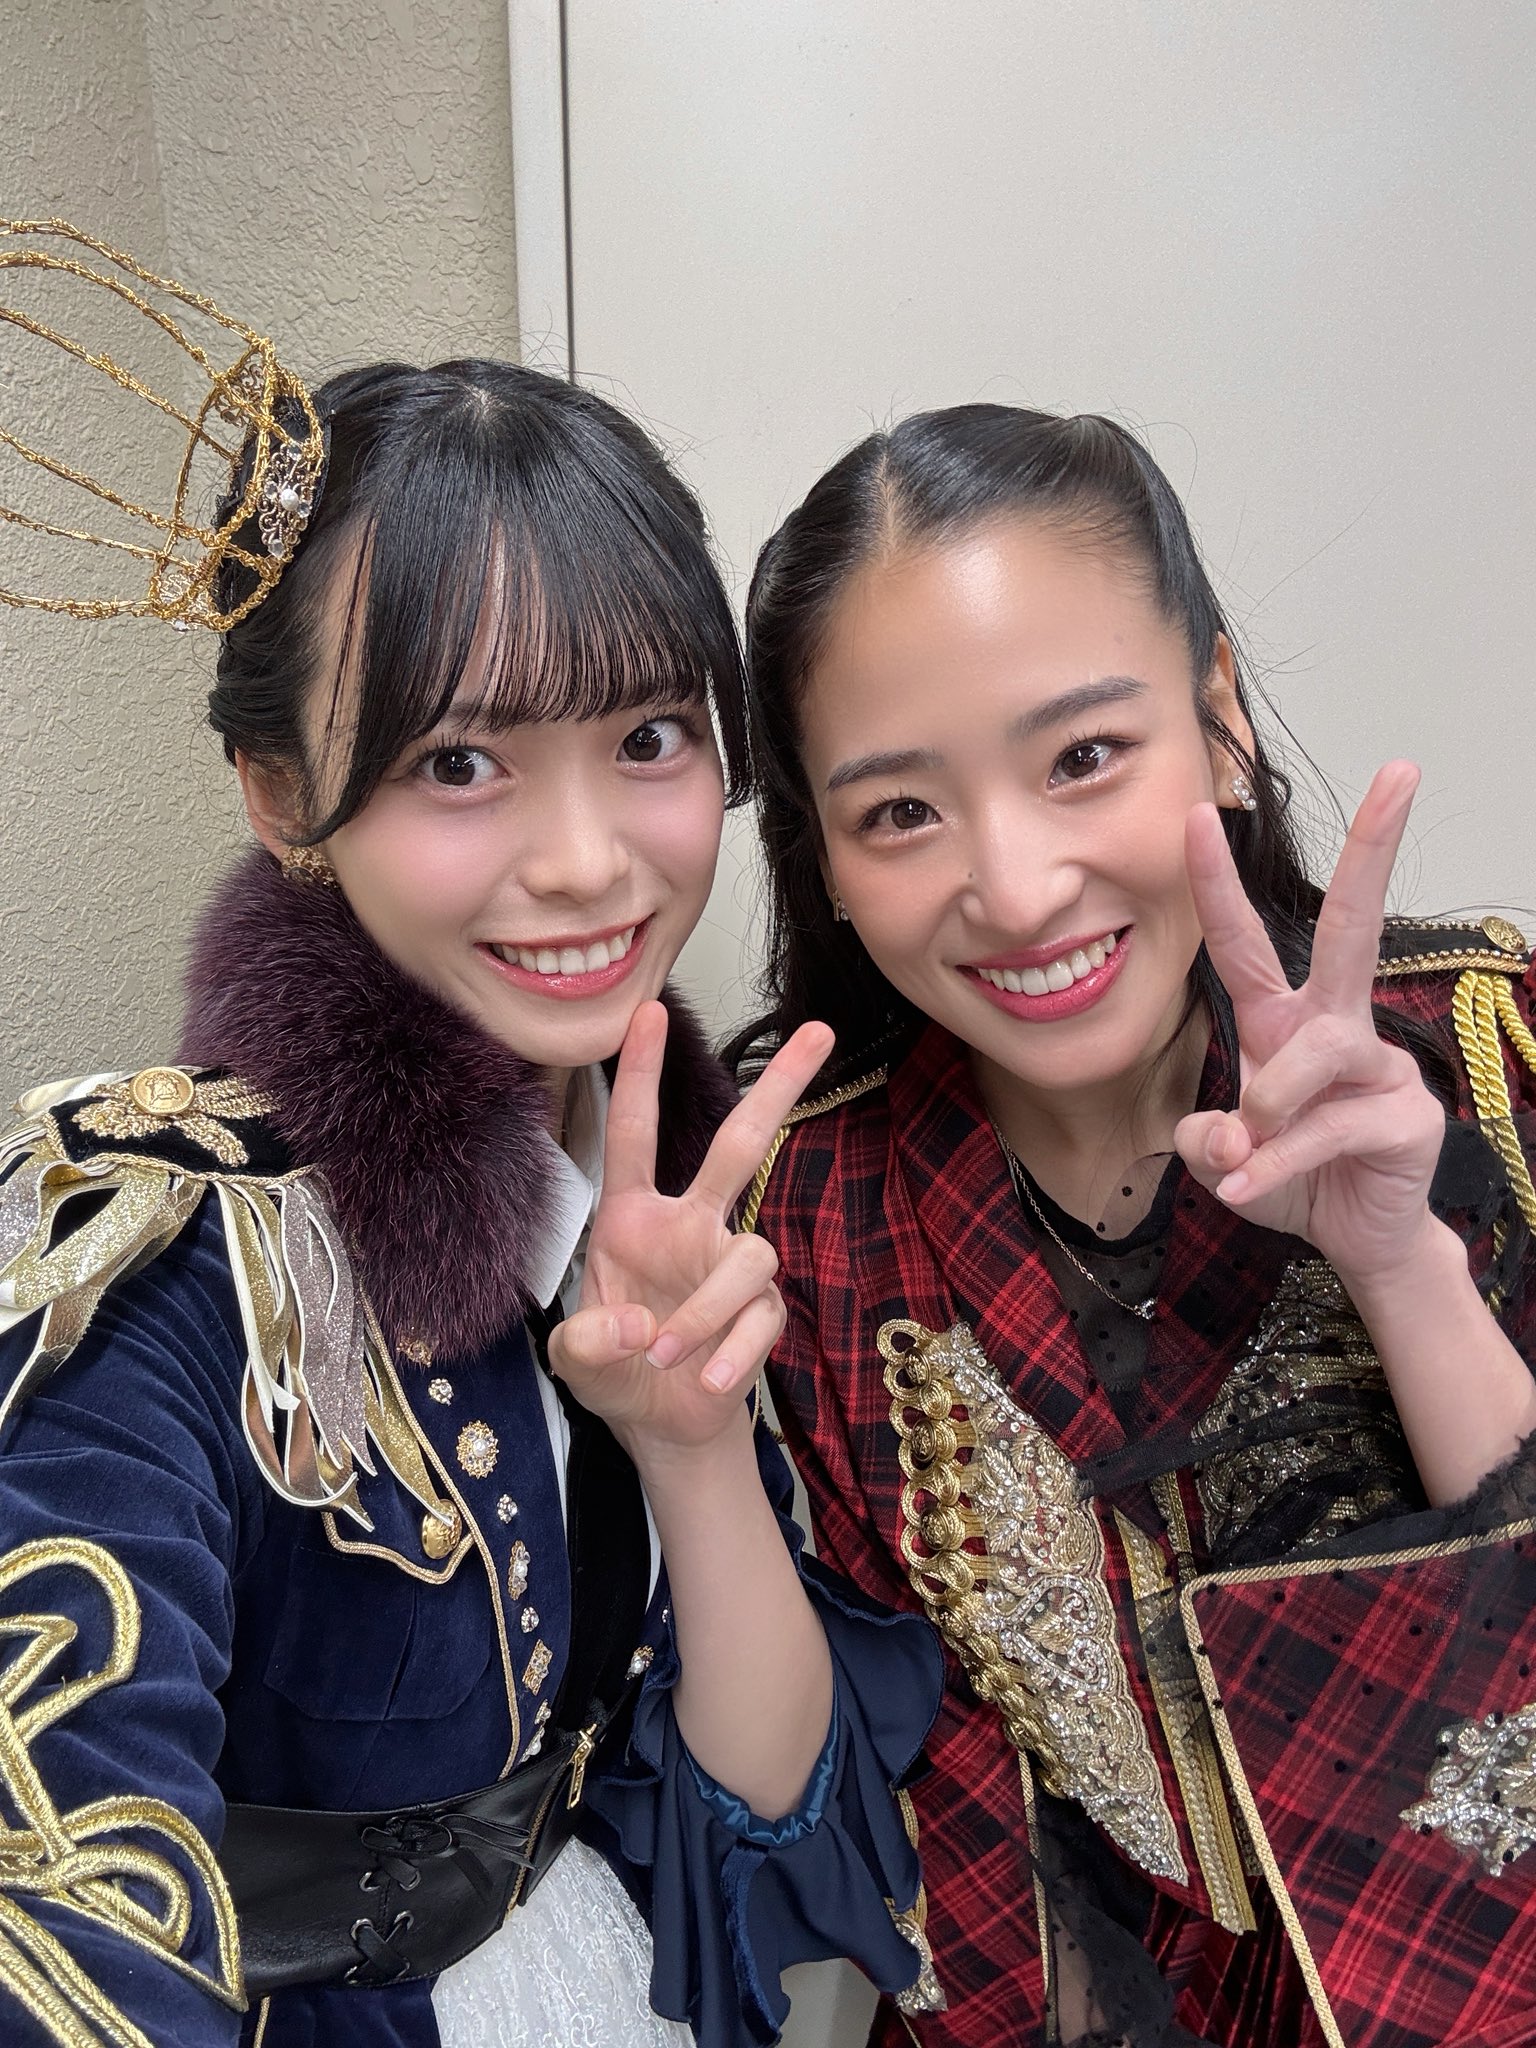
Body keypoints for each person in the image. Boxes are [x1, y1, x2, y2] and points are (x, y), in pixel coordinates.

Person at [0, 224, 941, 2048]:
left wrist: (690, 1449)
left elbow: (760, 1818)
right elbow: (62, 1898)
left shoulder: (671, 1188)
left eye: (650, 737)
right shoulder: (170, 1266)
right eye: (458, 762)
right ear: (282, 793)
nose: (587, 862)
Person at [732, 402, 1536, 2048]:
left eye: (1083, 757)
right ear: (824, 857)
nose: (1018, 887)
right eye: (901, 813)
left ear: (1220, 721)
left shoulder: (1488, 1048)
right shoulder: (792, 1214)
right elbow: (838, 1793)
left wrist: (1402, 1266)